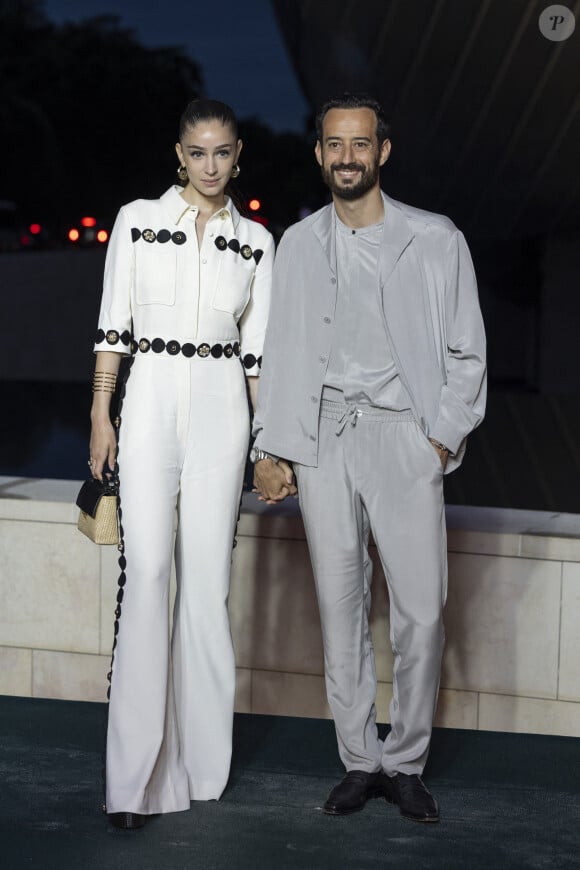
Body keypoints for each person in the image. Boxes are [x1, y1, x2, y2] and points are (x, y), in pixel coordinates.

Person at [252, 93, 486, 823]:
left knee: (420, 611)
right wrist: (273, 447)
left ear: (382, 151)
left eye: (360, 144)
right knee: (339, 606)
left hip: (403, 438)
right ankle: (359, 760)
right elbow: (283, 353)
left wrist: (439, 437)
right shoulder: (298, 243)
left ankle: (405, 762)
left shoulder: (435, 238)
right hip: (323, 439)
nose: (347, 157)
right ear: (319, 154)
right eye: (334, 144)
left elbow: (467, 350)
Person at [88, 98, 273, 829]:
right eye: (198, 152)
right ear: (178, 155)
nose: (210, 165)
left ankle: (200, 767)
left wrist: (267, 446)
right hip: (152, 398)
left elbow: (258, 358)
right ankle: (133, 781)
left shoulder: (258, 241)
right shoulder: (137, 219)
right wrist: (102, 412)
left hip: (225, 406)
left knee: (206, 584)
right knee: (149, 577)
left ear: (237, 155)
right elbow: (113, 322)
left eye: (222, 152)